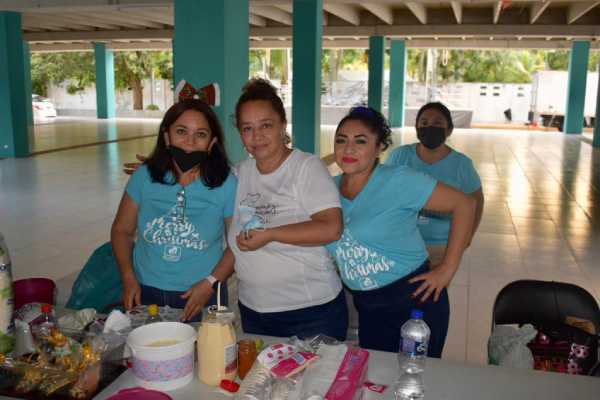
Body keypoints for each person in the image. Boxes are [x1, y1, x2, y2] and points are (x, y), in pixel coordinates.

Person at [326, 106, 475, 355]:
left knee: (413, 382)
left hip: (414, 302)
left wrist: (447, 269)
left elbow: (465, 204)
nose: (348, 149)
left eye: (360, 141)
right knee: (377, 380)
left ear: (379, 148)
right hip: (368, 306)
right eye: (341, 140)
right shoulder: (328, 189)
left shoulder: (398, 180)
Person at [229, 78, 348, 341]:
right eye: (247, 128)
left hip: (310, 313)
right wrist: (166, 169)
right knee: (261, 382)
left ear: (283, 125)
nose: (256, 136)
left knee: (314, 383)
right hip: (253, 311)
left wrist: (270, 234)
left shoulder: (306, 167)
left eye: (266, 126)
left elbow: (332, 227)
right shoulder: (238, 174)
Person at [111, 92, 237, 322]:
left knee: (207, 355)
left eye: (200, 134)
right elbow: (122, 230)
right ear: (166, 136)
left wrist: (210, 283)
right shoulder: (145, 176)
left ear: (212, 143)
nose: (190, 141)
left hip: (203, 292)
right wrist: (128, 276)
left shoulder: (225, 184)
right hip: (144, 290)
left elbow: (237, 243)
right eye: (181, 131)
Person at [386, 102, 484, 264]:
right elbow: (383, 193)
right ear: (417, 129)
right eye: (424, 123)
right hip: (402, 242)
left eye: (438, 123)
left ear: (449, 129)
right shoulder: (400, 156)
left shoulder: (462, 164)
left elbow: (476, 202)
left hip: (442, 247)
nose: (430, 127)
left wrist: (468, 237)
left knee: (434, 289)